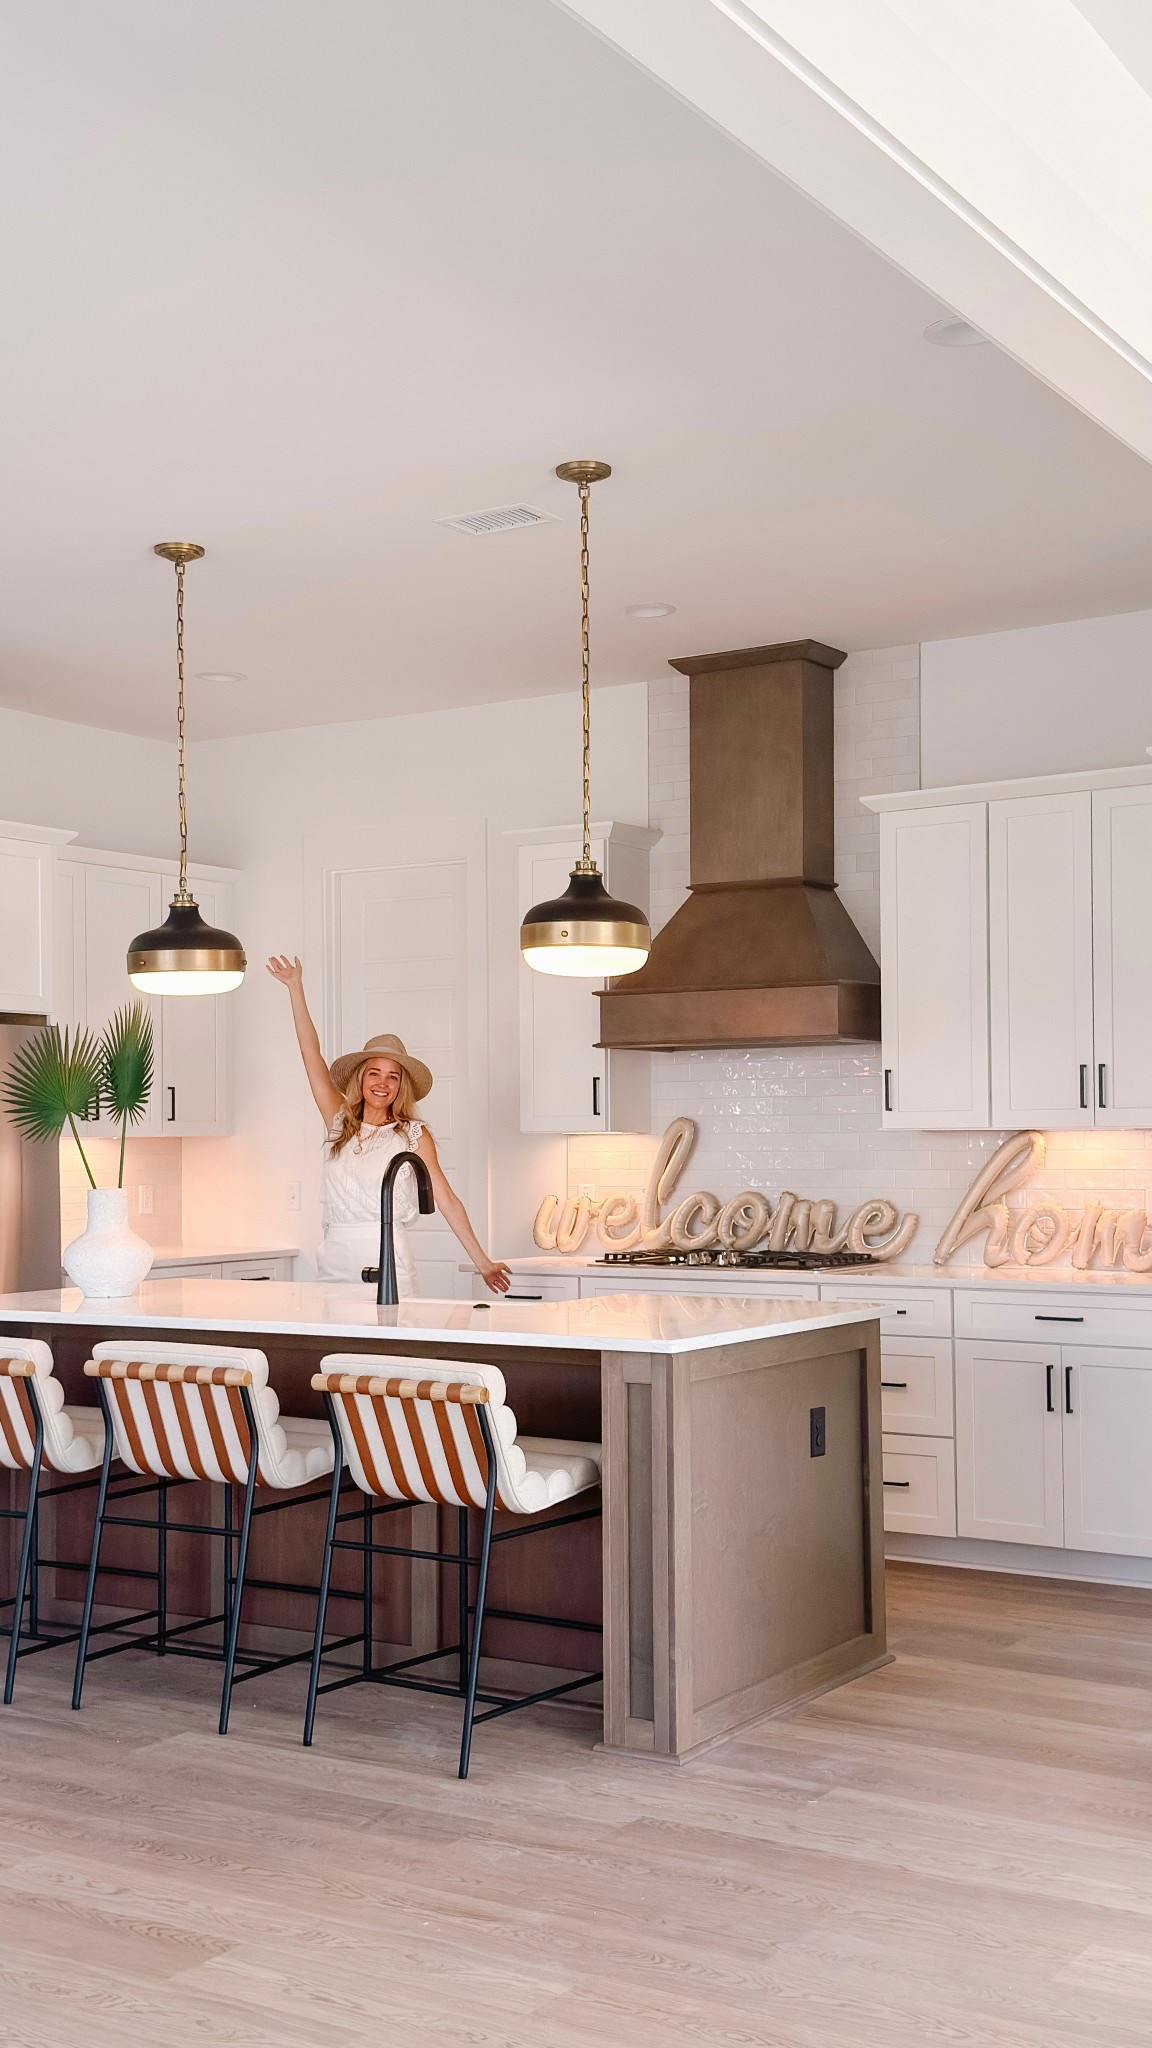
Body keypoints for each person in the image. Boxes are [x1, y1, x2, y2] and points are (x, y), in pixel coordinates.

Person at [267, 956, 510, 1297]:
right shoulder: (338, 1121)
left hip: (387, 1257)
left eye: (392, 1076)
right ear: (361, 1078)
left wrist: (483, 1262)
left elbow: (447, 1199)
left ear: (401, 1086)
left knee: (388, 1345)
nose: (383, 1083)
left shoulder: (412, 1135)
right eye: (374, 1073)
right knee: (335, 1346)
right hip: (335, 1257)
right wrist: (295, 987)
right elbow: (311, 1053)